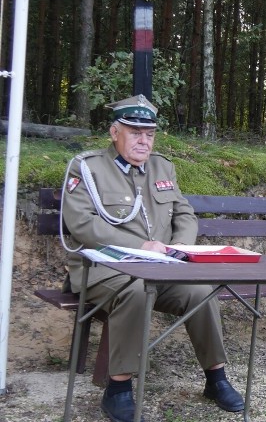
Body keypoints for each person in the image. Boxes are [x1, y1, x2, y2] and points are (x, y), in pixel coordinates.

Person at [60, 95, 244, 421]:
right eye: (135, 132)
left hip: (162, 268)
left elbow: (185, 215)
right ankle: (117, 389)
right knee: (133, 290)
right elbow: (82, 224)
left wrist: (177, 249)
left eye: (150, 134)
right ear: (114, 132)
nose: (144, 140)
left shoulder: (162, 166)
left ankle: (216, 379)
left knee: (201, 292)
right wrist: (141, 247)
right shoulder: (87, 167)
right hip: (104, 270)